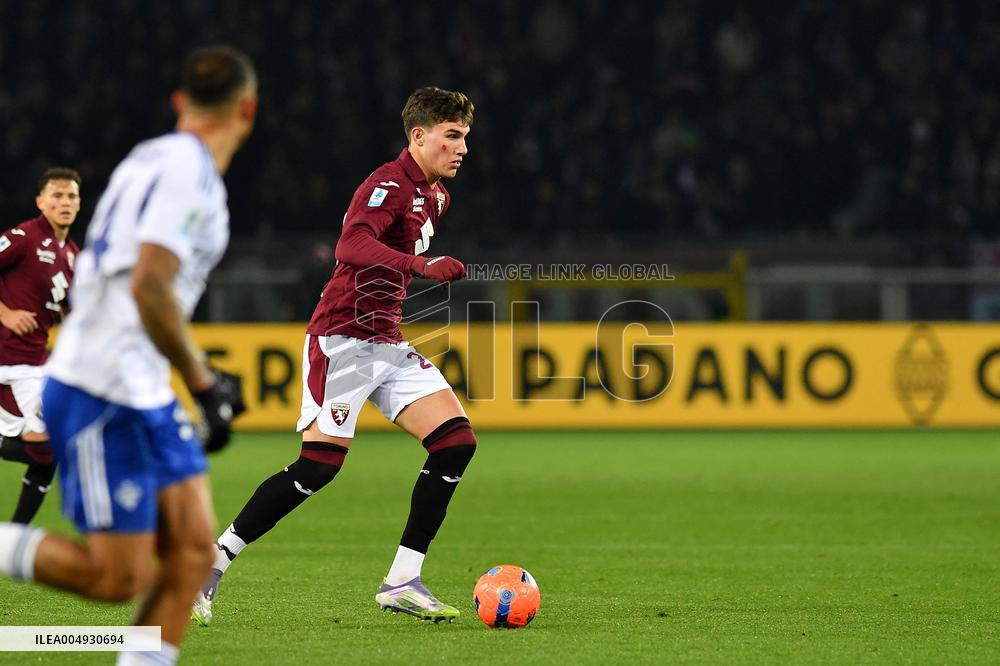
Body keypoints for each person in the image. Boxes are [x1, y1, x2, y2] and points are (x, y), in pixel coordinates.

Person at [0, 45, 255, 666]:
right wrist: (202, 380)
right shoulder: (189, 174)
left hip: (140, 384)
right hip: (101, 387)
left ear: (180, 102)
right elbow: (149, 285)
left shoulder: (148, 157)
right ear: (248, 109)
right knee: (118, 577)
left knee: (191, 553)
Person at [194, 86, 476, 625]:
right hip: (342, 340)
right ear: (419, 136)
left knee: (455, 443)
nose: (463, 148)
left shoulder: (437, 196)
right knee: (319, 467)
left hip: (385, 340)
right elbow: (351, 245)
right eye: (453, 136)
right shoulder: (388, 184)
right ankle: (213, 559)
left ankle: (402, 580)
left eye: (465, 137)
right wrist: (421, 266)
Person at [0, 168, 81, 523]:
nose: (65, 202)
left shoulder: (72, 254)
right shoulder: (23, 237)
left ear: (79, 203)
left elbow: (70, 311)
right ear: (40, 202)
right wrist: (6, 313)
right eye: (56, 196)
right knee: (47, 448)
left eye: (71, 196)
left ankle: (13, 536)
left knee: (50, 452)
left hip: (35, 363)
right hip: (9, 362)